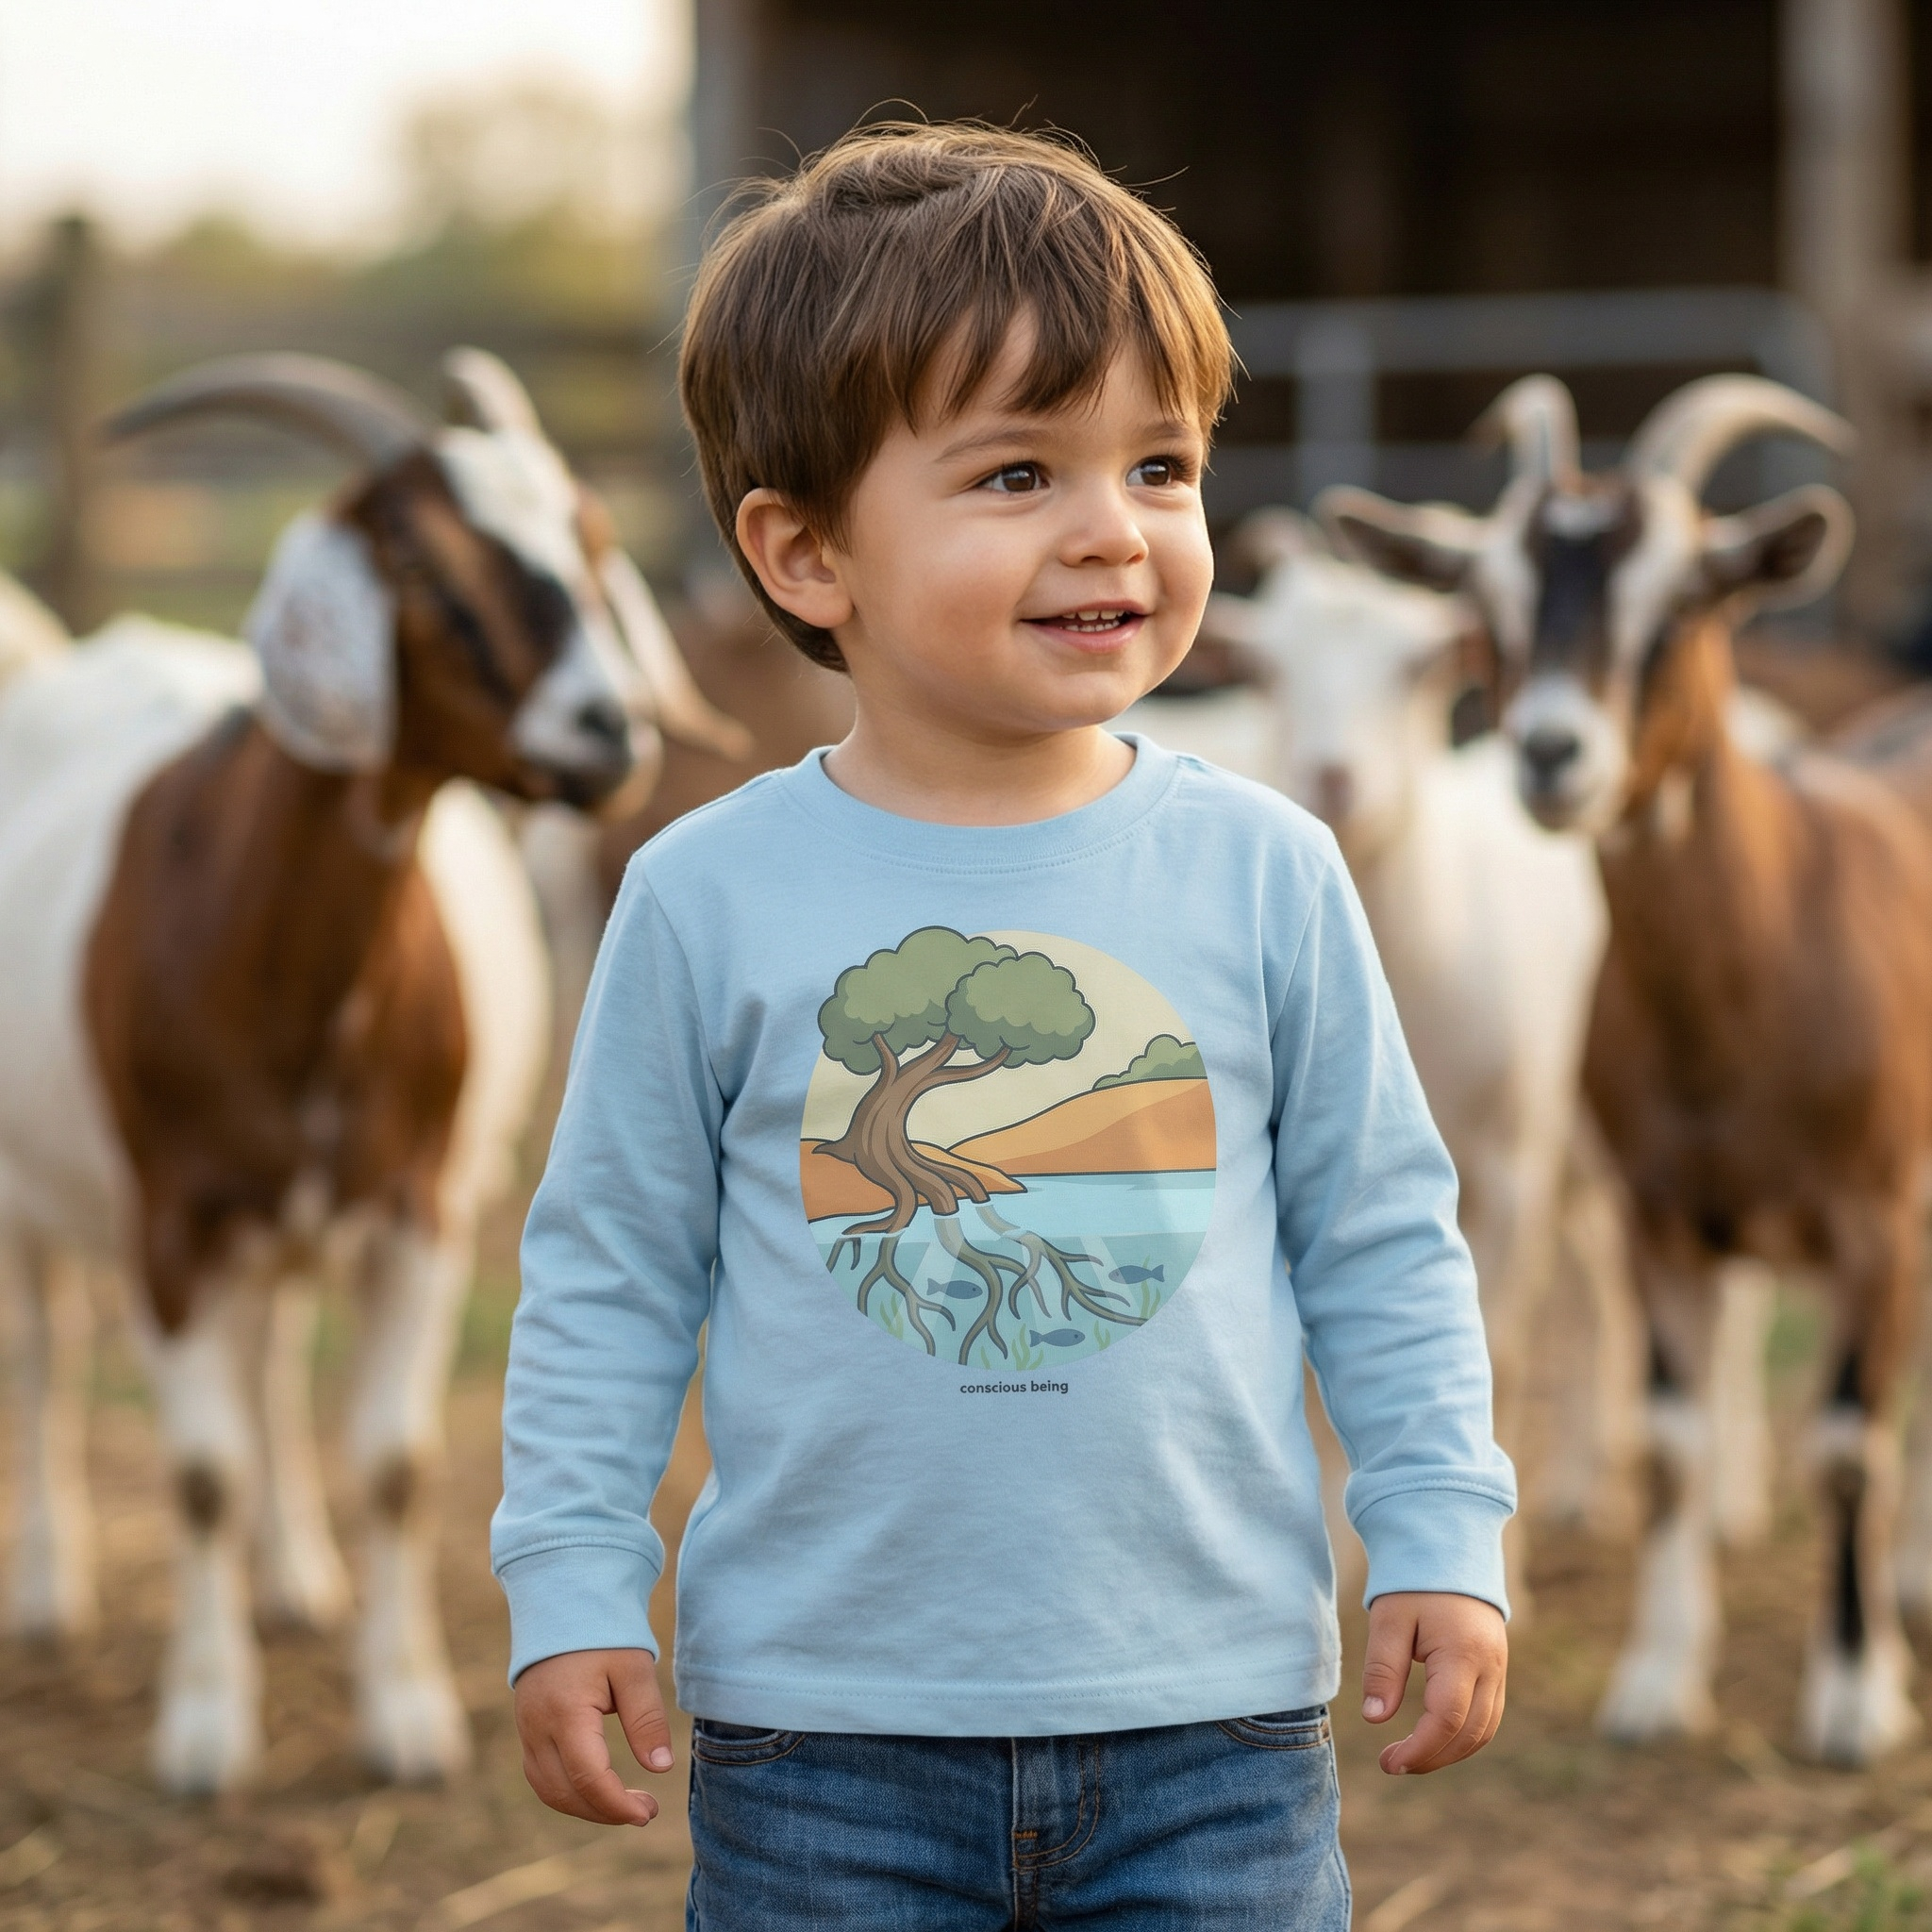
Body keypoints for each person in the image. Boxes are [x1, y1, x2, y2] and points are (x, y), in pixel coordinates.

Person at [493, 122, 1512, 1929]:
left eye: (1161, 465)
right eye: (1021, 472)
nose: (1114, 526)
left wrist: (1439, 1527)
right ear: (807, 552)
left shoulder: (1265, 870)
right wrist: (572, 1582)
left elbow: (1379, 1233)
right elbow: (610, 1269)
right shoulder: (707, 893)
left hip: (1214, 1730)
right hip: (823, 1743)